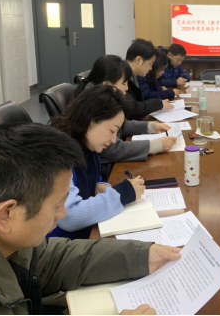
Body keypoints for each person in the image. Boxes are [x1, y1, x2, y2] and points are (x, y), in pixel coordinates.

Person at [0, 123, 180, 315]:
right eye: (58, 206)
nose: (64, 214)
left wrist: (141, 256)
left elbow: (55, 259)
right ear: (6, 214)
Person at [49, 85, 150, 240]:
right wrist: (124, 193)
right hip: (60, 244)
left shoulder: (88, 147)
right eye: (112, 131)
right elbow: (69, 217)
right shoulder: (59, 154)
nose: (113, 139)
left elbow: (92, 179)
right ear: (90, 120)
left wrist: (99, 185)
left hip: (85, 232)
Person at [75, 55, 178, 174]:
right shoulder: (94, 103)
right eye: (124, 83)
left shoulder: (102, 97)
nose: (127, 88)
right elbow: (112, 150)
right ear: (107, 84)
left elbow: (120, 125)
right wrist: (155, 145)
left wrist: (152, 126)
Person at [125, 39, 174, 120]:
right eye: (150, 64)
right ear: (138, 60)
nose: (151, 68)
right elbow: (132, 108)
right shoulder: (120, 77)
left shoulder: (132, 75)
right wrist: (158, 104)